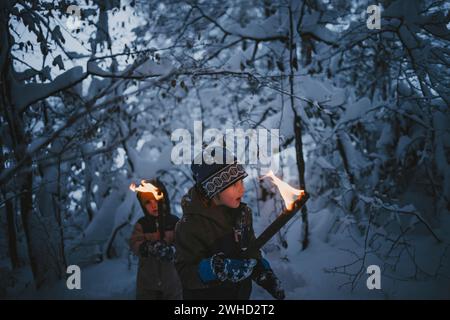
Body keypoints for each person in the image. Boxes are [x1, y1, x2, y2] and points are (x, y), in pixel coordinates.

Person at [174, 147, 285, 300]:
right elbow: (184, 273)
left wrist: (262, 272)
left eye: (241, 182)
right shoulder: (190, 225)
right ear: (212, 189)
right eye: (234, 184)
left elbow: (250, 252)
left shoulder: (243, 214)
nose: (242, 189)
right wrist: (215, 269)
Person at [129, 178, 182, 299]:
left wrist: (173, 249)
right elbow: (134, 242)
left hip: (172, 279)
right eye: (148, 202)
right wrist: (147, 247)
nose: (153, 205)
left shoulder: (174, 222)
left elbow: (183, 243)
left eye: (156, 200)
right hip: (148, 280)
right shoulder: (142, 224)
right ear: (143, 205)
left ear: (164, 200)